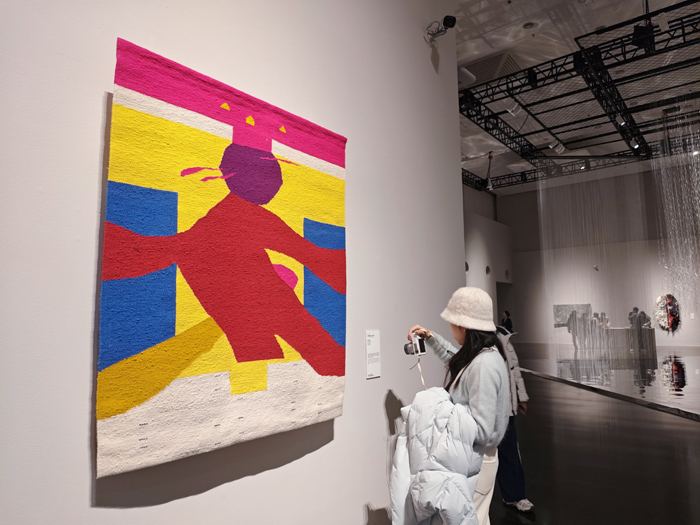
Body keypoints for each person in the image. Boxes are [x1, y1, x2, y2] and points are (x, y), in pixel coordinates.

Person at [408, 287, 510, 525]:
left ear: (464, 327)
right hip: (473, 458)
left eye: (453, 324)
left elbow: (482, 430)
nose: (452, 331)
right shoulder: (483, 355)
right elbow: (458, 362)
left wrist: (441, 411)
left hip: (476, 460)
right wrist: (430, 337)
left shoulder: (484, 365)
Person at [495, 327, 534, 514]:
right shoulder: (473, 336)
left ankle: (516, 496)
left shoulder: (503, 336)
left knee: (510, 454)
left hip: (506, 410)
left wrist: (522, 396)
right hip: (484, 410)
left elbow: (515, 370)